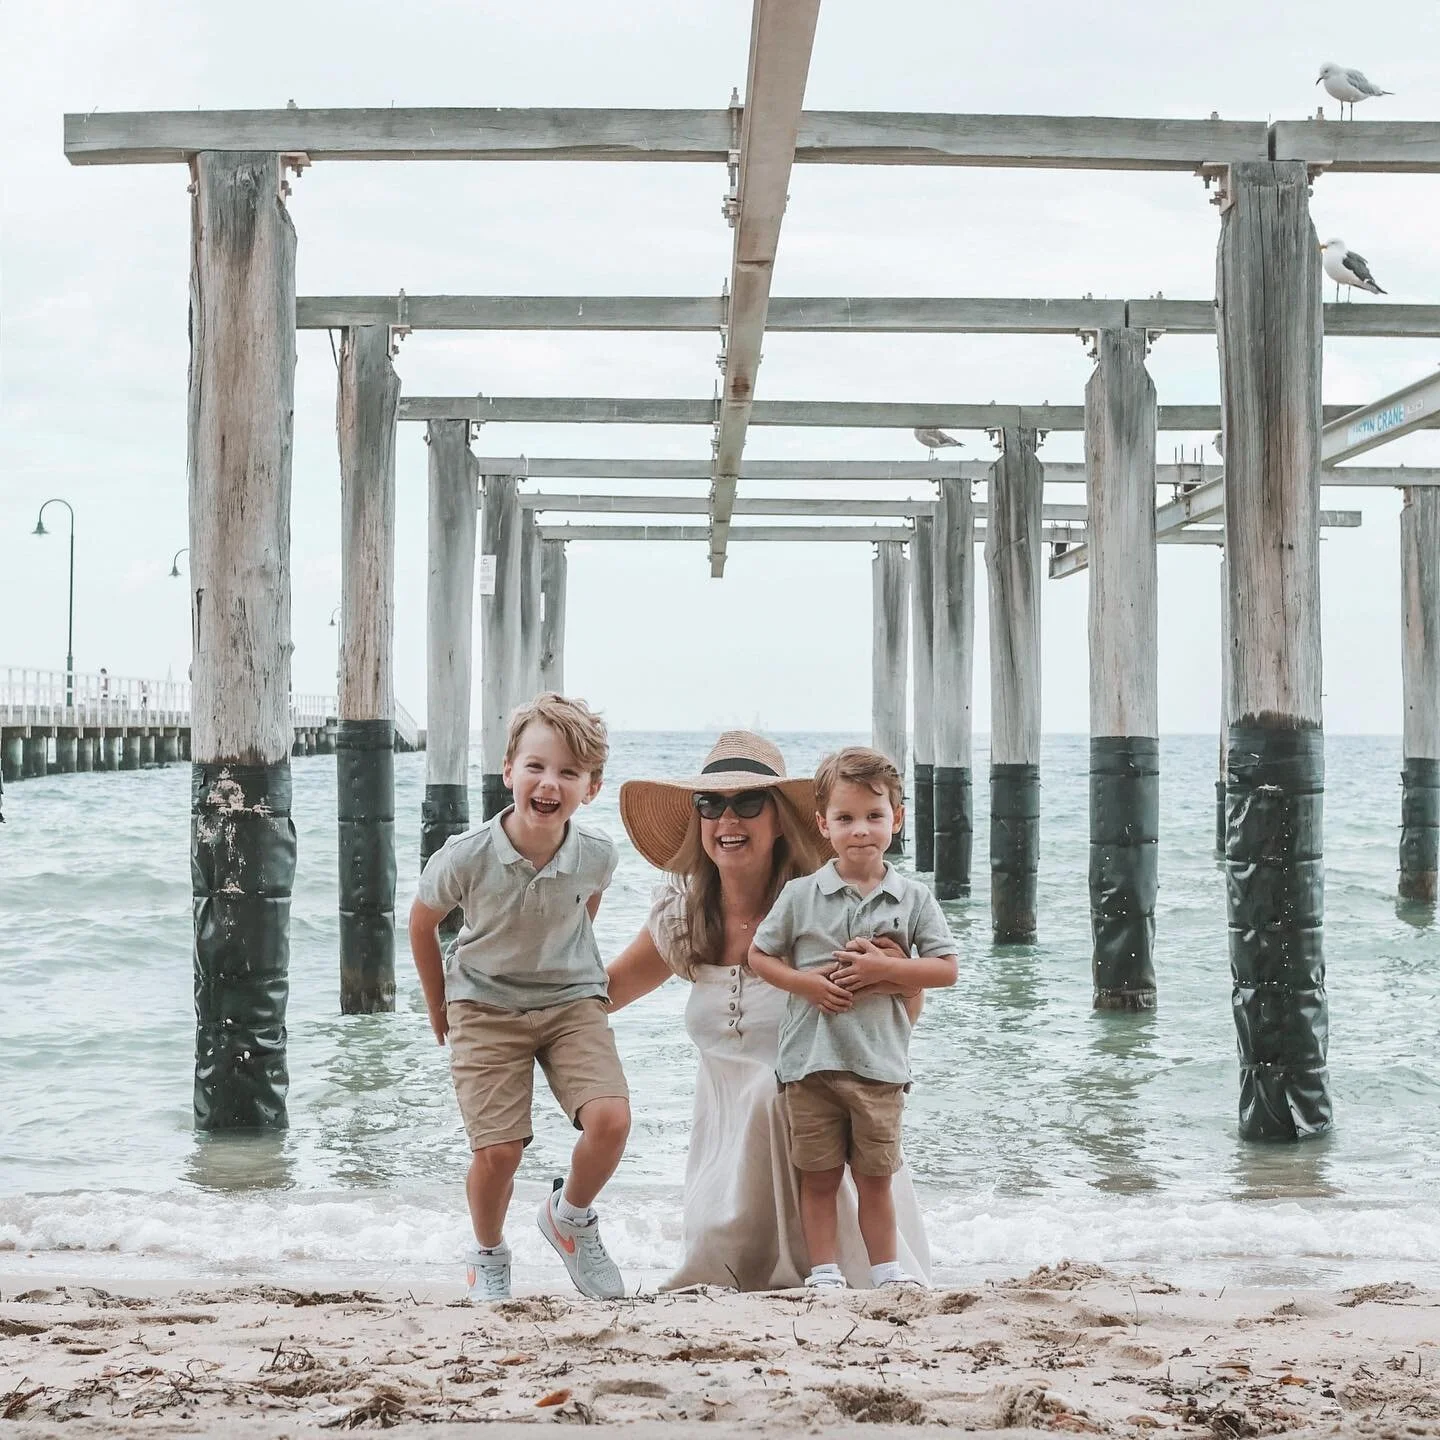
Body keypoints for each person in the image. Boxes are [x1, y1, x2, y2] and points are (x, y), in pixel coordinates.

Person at [608, 731, 931, 1290]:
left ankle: (844, 1265)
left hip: (817, 1118)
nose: (727, 819)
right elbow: (602, 994)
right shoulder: (685, 917)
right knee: (714, 1263)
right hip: (721, 1149)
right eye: (711, 804)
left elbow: (901, 1010)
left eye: (748, 803)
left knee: (777, 1089)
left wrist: (892, 973)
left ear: (780, 818)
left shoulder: (822, 906)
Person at [409, 693, 631, 1303]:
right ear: (508, 770)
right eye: (535, 766)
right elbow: (422, 924)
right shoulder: (467, 856)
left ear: (592, 786)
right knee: (500, 1151)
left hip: (571, 1002)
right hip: (483, 1006)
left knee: (611, 1121)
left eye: (568, 772)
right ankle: (488, 1253)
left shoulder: (597, 855)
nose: (549, 783)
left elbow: (585, 910)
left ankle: (571, 1216)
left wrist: (575, 974)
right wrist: (438, 1005)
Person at [748, 746, 958, 1291]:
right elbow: (760, 956)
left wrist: (885, 970)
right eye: (844, 818)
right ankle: (823, 1273)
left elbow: (946, 970)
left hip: (880, 1065)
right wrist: (808, 984)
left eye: (874, 816)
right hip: (809, 1063)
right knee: (816, 1177)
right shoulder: (800, 895)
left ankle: (887, 1272)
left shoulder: (912, 898)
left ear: (898, 818)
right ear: (823, 825)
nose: (860, 830)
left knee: (875, 1177)